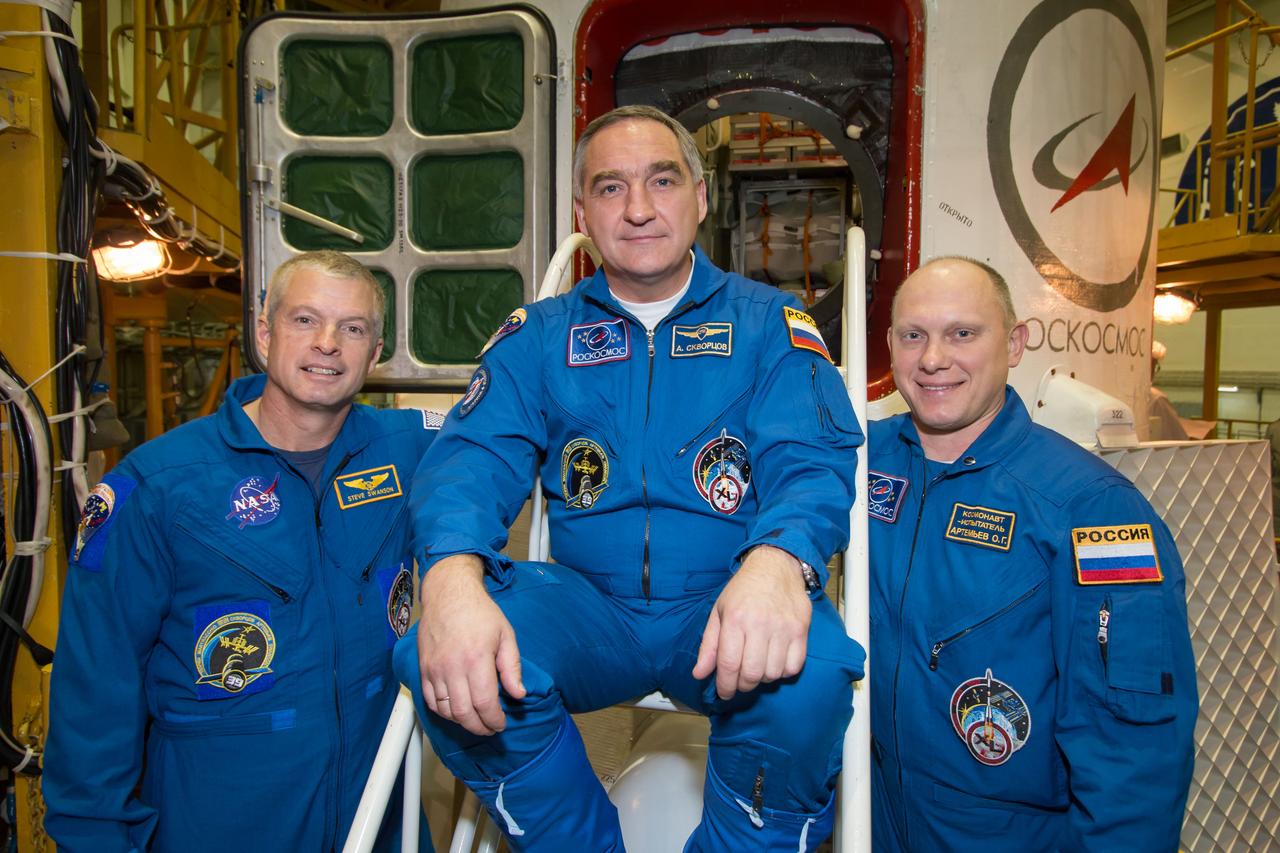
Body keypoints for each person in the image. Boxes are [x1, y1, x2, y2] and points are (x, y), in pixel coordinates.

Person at [393, 105, 865, 851]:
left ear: (700, 198)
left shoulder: (768, 325)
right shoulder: (540, 336)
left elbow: (809, 460)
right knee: (443, 653)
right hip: (588, 607)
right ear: (583, 213)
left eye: (662, 181)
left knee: (811, 676)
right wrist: (451, 580)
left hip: (724, 595)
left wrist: (779, 562)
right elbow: (468, 461)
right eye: (611, 187)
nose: (639, 208)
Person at [44, 251, 439, 852]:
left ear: (375, 352)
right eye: (305, 319)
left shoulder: (405, 449)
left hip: (376, 818)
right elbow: (95, 695)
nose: (328, 343)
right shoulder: (157, 488)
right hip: (221, 823)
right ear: (263, 332)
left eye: (353, 328)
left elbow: (515, 430)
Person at [868, 257, 1198, 851]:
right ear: (890, 345)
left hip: (1010, 833)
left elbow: (1133, 745)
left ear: (1015, 343)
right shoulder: (859, 461)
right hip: (877, 818)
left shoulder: (1095, 510)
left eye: (962, 333)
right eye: (913, 335)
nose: (933, 358)